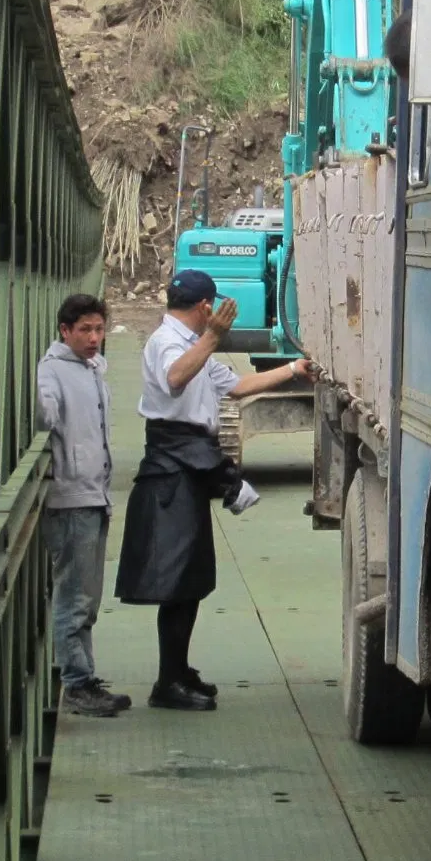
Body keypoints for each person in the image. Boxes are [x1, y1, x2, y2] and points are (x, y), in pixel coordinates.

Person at [115, 269, 314, 712]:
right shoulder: (167, 343)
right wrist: (214, 338)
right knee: (177, 581)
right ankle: (167, 682)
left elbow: (238, 386)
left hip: (191, 459)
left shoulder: (193, 345)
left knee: (191, 577)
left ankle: (178, 671)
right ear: (206, 307)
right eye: (213, 308)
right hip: (172, 462)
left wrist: (291, 371)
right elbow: (175, 379)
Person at [37, 293, 131, 718]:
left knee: (87, 595)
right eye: (85, 331)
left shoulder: (92, 369)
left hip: (94, 493)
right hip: (72, 496)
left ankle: (84, 676)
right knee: (75, 594)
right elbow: (44, 415)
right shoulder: (51, 370)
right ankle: (76, 683)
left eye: (99, 329)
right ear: (65, 331)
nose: (94, 338)